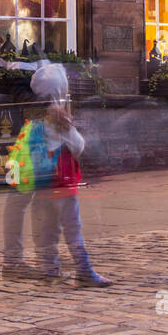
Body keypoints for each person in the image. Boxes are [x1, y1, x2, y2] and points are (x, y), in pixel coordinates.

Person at [25, 64, 112, 287]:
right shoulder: (60, 118)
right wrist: (71, 127)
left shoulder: (34, 116)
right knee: (73, 230)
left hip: (41, 185)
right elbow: (78, 147)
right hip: (62, 185)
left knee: (47, 231)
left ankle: (50, 271)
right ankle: (84, 271)